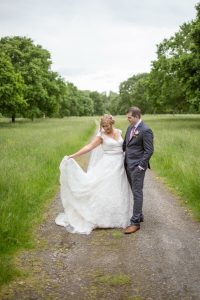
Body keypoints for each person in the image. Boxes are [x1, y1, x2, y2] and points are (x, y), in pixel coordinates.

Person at [55, 114, 133, 234]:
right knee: (104, 189)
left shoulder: (119, 131)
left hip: (120, 165)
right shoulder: (101, 136)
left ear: (112, 123)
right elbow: (89, 147)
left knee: (119, 189)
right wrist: (73, 155)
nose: (105, 128)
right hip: (108, 165)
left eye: (107, 126)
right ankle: (101, 218)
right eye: (103, 126)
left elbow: (124, 147)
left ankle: (118, 216)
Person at [123, 106, 154, 234]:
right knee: (134, 191)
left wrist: (141, 166)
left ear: (136, 116)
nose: (128, 119)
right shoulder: (130, 128)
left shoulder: (146, 130)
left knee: (137, 192)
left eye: (129, 117)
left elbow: (149, 150)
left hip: (137, 167)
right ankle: (139, 215)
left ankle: (135, 222)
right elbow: (125, 145)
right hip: (128, 165)